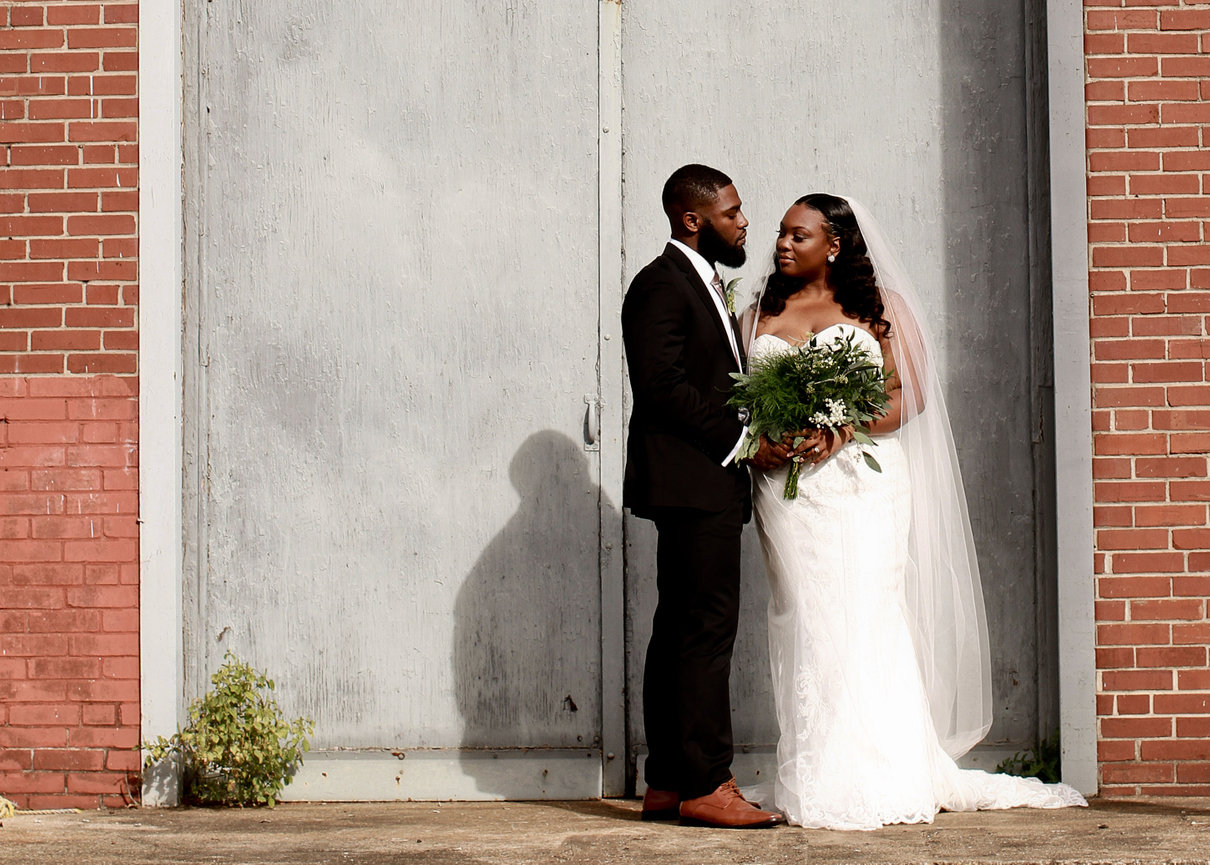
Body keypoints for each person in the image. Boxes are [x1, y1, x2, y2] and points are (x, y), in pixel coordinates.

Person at [740, 193, 1086, 829]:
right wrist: (768, 436)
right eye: (781, 233)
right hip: (790, 493)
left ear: (834, 245)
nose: (782, 244)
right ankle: (815, 768)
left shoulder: (882, 308)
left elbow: (911, 394)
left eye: (798, 235)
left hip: (864, 486)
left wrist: (844, 425)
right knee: (803, 616)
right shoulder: (757, 311)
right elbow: (741, 400)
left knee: (869, 613)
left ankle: (884, 768)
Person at [621, 164, 788, 828]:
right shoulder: (660, 284)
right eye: (732, 212)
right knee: (705, 632)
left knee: (678, 630)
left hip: (697, 481)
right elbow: (661, 386)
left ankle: (667, 780)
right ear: (693, 219)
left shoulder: (700, 281)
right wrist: (744, 439)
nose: (744, 223)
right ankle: (706, 784)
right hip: (694, 481)